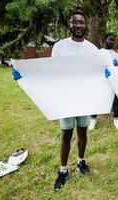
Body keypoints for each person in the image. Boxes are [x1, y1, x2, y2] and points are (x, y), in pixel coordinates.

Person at [50, 9, 98, 191]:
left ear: (85, 26)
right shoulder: (60, 46)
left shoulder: (92, 48)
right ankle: (63, 170)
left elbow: (96, 72)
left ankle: (80, 161)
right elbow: (53, 71)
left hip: (84, 97)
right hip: (66, 97)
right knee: (66, 134)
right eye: (74, 22)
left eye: (81, 22)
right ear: (69, 25)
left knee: (83, 132)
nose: (78, 25)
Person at [89, 33, 118, 131]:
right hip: (100, 80)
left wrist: (116, 67)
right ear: (105, 39)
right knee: (96, 99)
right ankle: (93, 120)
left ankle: (116, 120)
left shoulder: (115, 54)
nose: (112, 42)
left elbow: (117, 70)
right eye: (110, 39)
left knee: (115, 101)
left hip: (112, 81)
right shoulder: (99, 52)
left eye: (113, 40)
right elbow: (94, 67)